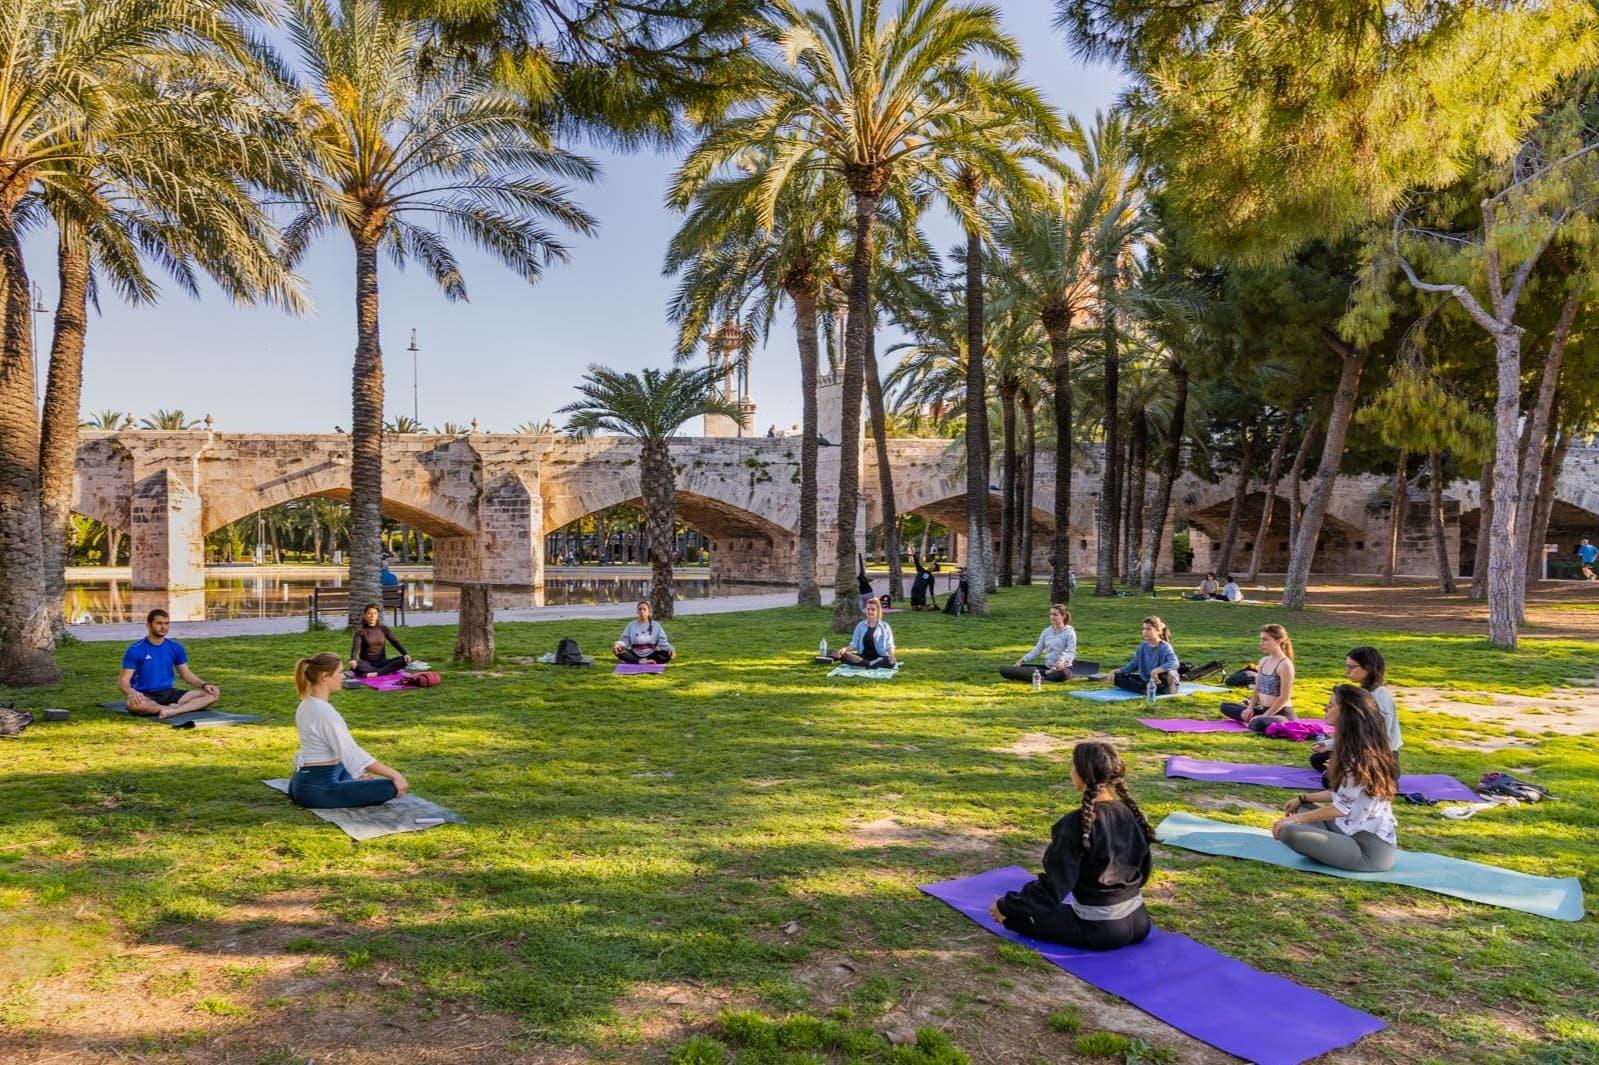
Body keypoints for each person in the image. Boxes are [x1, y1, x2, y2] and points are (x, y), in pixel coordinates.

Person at [989, 741, 1154, 950]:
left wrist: (1006, 906)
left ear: (1083, 774)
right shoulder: (1133, 813)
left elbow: (1053, 888)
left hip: (1101, 931)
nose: (1071, 770)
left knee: (1015, 919)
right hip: (1140, 920)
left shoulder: (1075, 824)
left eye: (1072, 765)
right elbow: (1144, 871)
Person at [1273, 685, 1398, 872]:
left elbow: (1340, 808)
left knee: (1288, 831)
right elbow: (1342, 796)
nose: (1325, 709)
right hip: (1349, 829)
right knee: (1301, 806)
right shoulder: (1355, 746)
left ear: (1347, 713)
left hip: (1369, 851)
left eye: (1330, 705)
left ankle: (1327, 848)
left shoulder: (1360, 757)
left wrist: (1294, 820)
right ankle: (1327, 847)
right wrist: (1302, 798)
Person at [287, 652, 409, 809]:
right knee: (391, 786)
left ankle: (353, 781)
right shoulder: (324, 712)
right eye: (339, 672)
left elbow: (345, 756)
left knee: (348, 767)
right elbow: (351, 752)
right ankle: (352, 783)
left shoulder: (306, 704)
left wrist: (358, 773)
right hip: (318, 791)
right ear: (325, 676)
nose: (343, 676)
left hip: (300, 783)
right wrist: (395, 775)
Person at [1312, 646, 1400, 782]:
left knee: (1329, 779)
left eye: (1352, 667)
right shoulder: (1363, 693)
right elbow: (1357, 732)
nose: (1347, 671)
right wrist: (1330, 744)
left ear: (1368, 668)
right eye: (1347, 666)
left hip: (1380, 757)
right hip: (1362, 750)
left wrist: (1347, 763)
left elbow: (1379, 738)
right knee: (1318, 759)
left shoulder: (1380, 695)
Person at [118, 609, 221, 718]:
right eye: (159, 623)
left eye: (166, 623)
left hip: (169, 693)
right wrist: (132, 692)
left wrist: (205, 685)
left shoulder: (175, 647)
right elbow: (123, 681)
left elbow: (186, 674)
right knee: (135, 706)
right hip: (145, 694)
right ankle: (176, 708)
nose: (164, 627)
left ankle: (173, 711)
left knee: (211, 695)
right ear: (148, 625)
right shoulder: (135, 650)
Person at [1220, 624, 1296, 731]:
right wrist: (1250, 708)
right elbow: (1257, 689)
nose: (1261, 643)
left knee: (1258, 723)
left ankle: (1256, 722)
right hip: (1263, 709)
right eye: (1261, 640)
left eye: (1265, 640)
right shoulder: (1263, 661)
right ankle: (1254, 720)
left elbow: (1284, 697)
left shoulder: (1285, 665)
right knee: (1225, 706)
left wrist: (1265, 715)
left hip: (1281, 714)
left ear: (1279, 641)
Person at [1002, 604, 1077, 682]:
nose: (1052, 617)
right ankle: (1045, 673)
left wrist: (1062, 661)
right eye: (1051, 614)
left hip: (1063, 669)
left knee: (1061, 674)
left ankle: (1043, 675)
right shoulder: (1047, 631)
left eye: (1055, 615)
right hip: (1048, 667)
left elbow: (1071, 652)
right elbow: (1037, 650)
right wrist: (1022, 660)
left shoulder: (1069, 632)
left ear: (1063, 616)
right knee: (1020, 667)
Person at [1108, 616, 1179, 695]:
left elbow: (1174, 663)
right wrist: (1115, 671)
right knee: (1118, 677)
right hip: (1148, 680)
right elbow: (1133, 665)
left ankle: (1144, 688)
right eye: (1143, 629)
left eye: (1148, 629)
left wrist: (1155, 671)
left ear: (1159, 631)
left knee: (1164, 675)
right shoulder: (1142, 646)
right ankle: (1145, 688)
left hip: (1164, 682)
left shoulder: (1164, 646)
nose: (1145, 632)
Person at [348, 603, 412, 676]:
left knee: (404, 660)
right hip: (367, 663)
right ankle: (383, 671)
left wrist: (405, 653)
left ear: (377, 615)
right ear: (365, 615)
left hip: (383, 662)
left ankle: (375, 673)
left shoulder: (383, 629)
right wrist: (353, 660)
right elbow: (355, 648)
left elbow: (395, 642)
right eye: (369, 613)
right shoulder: (360, 632)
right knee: (354, 665)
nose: (372, 616)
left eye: (375, 613)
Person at [835, 597, 896, 668]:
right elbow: (854, 644)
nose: (870, 611)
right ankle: (870, 664)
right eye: (868, 609)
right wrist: (845, 649)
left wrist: (891, 655)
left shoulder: (885, 626)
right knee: (843, 655)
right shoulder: (860, 625)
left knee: (892, 661)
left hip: (880, 657)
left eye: (873, 609)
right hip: (863, 657)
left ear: (878, 611)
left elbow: (890, 645)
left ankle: (867, 664)